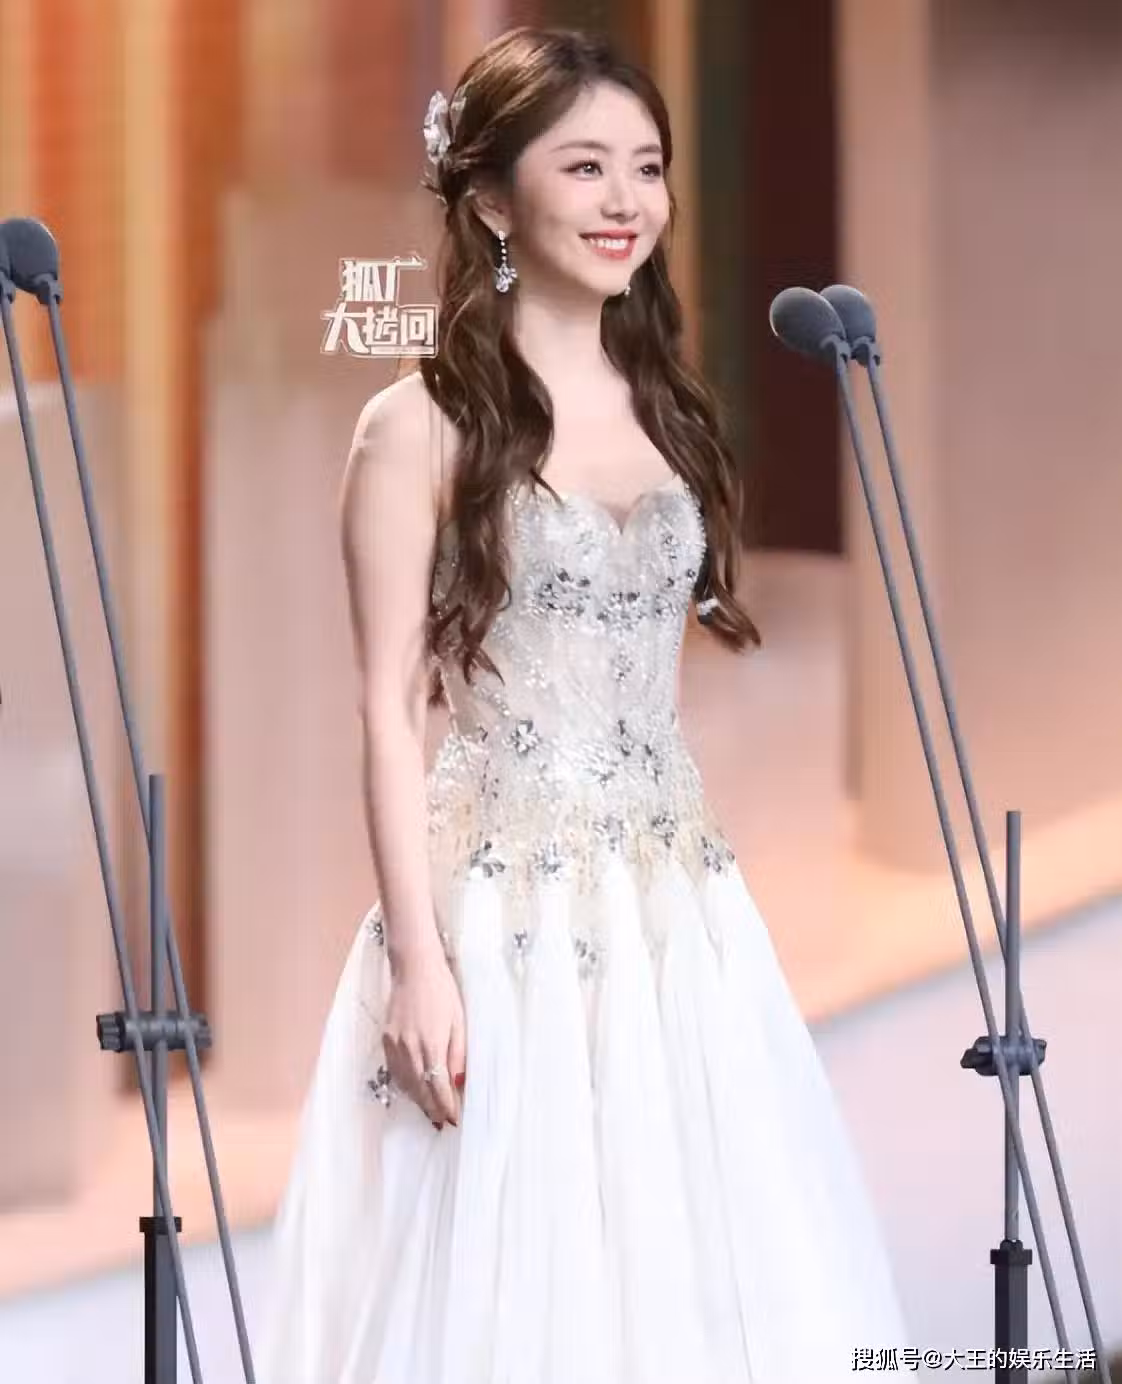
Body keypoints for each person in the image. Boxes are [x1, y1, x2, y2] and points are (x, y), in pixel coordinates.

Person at [258, 25, 910, 1384]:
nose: (627, 201)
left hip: (676, 905)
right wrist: (421, 961)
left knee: (695, 1264)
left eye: (648, 167)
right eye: (586, 166)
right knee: (517, 1273)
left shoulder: (669, 407)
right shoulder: (415, 427)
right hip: (501, 915)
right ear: (495, 201)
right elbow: (386, 712)